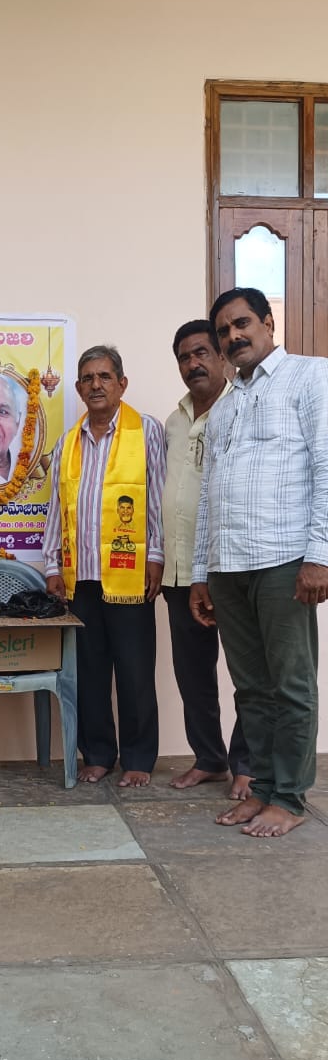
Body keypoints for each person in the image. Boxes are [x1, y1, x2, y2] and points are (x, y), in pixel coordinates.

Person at [191, 287, 328, 837]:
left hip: (283, 560)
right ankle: (263, 788)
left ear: (269, 323)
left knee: (290, 686)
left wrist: (320, 556)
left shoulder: (310, 377)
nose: (233, 336)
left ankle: (289, 798)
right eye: (224, 331)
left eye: (242, 323)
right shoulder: (225, 405)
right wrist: (201, 573)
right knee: (250, 690)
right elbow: (209, 495)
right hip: (229, 566)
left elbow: (326, 466)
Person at [43, 344, 166, 786]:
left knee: (134, 669)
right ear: (79, 389)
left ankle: (138, 759)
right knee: (89, 670)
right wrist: (51, 566)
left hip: (130, 574)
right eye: (88, 379)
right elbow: (56, 509)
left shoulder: (146, 431)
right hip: (81, 577)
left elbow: (157, 496)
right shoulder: (67, 442)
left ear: (122, 384)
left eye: (105, 376)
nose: (96, 385)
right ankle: (97, 753)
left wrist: (156, 555)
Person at [163, 319, 251, 797]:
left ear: (221, 356)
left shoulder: (243, 409)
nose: (193, 363)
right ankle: (210, 759)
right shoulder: (174, 421)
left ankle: (248, 764)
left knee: (246, 672)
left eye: (201, 353)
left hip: (230, 567)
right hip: (179, 570)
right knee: (193, 674)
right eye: (184, 357)